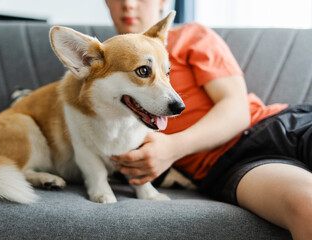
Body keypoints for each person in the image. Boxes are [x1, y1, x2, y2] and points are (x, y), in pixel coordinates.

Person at [105, 0, 312, 239]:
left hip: (278, 124)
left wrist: (172, 148)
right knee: (306, 204)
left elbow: (237, 108)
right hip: (229, 165)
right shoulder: (97, 76)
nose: (128, 5)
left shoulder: (189, 35)